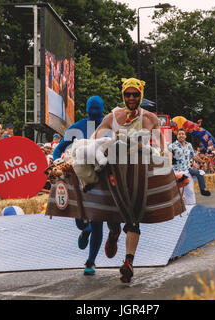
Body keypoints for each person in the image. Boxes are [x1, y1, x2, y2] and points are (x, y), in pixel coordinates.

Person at [92, 78, 164, 283]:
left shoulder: (150, 119)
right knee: (114, 215)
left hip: (139, 175)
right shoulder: (113, 116)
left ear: (141, 95)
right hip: (113, 174)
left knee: (134, 217)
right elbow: (96, 140)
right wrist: (111, 139)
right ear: (123, 95)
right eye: (128, 94)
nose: (131, 98)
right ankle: (113, 232)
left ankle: (128, 262)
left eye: (135, 94)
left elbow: (161, 148)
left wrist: (142, 147)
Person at [53, 96, 105, 276]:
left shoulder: (109, 126)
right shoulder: (77, 127)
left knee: (98, 221)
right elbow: (58, 149)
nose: (95, 113)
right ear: (87, 109)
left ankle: (90, 262)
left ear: (103, 109)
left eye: (98, 110)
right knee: (79, 218)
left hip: (101, 180)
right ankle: (85, 230)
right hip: (78, 178)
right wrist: (58, 162)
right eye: (92, 109)